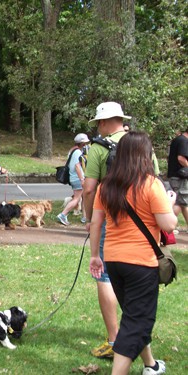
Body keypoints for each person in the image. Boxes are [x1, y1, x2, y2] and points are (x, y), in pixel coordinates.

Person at [89, 131, 177, 375]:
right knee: (139, 321)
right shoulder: (151, 184)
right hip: (141, 263)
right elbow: (169, 224)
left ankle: (150, 365)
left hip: (114, 261)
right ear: (145, 155)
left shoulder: (106, 186)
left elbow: (96, 224)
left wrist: (95, 255)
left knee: (133, 316)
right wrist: (170, 203)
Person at [83, 102, 130, 358]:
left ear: (102, 122)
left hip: (110, 220)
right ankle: (137, 334)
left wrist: (90, 219)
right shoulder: (140, 143)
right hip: (139, 224)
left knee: (104, 276)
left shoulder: (99, 148)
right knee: (134, 276)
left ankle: (114, 341)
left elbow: (89, 189)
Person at [56, 133, 89, 225]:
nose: (86, 144)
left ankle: (84, 216)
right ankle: (63, 214)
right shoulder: (78, 152)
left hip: (73, 178)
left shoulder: (72, 150)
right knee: (76, 199)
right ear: (82, 143)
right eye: (85, 143)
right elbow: (77, 166)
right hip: (77, 178)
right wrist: (82, 179)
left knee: (81, 197)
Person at [166, 129, 188, 225]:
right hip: (180, 177)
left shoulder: (178, 140)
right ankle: (167, 226)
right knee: (180, 203)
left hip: (175, 176)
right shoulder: (183, 141)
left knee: (182, 203)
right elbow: (181, 158)